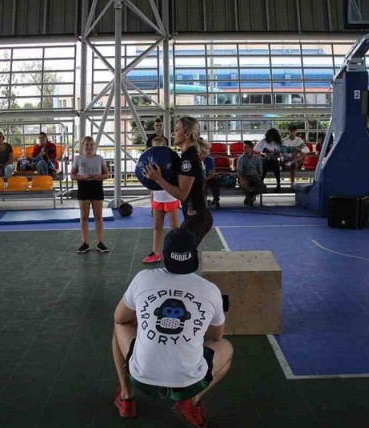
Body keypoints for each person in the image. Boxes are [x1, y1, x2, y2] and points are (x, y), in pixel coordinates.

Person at [112, 228, 233, 427]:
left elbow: (119, 318)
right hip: (189, 383)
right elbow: (217, 336)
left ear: (164, 254)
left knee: (120, 324)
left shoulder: (143, 278)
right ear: (194, 255)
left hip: (140, 377)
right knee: (226, 347)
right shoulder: (211, 290)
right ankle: (190, 400)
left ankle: (127, 398)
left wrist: (145, 322)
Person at [143, 116, 213, 246]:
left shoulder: (188, 159)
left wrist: (158, 179)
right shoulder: (188, 156)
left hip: (198, 218)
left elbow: (182, 194)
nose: (173, 133)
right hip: (194, 216)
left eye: (176, 130)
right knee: (184, 250)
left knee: (178, 248)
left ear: (187, 134)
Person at [143, 136, 181, 264]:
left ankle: (177, 251)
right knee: (157, 227)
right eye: (154, 148)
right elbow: (150, 184)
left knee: (175, 228)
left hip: (171, 198)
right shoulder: (150, 164)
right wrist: (151, 201)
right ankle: (156, 253)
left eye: (159, 147)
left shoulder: (171, 162)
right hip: (157, 198)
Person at [71, 136, 110, 253]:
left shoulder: (100, 159)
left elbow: (106, 174)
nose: (89, 147)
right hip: (83, 187)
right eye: (87, 145)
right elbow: (73, 175)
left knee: (98, 216)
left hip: (97, 187)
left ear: (94, 146)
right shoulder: (77, 159)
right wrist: (84, 177)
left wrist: (97, 176)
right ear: (83, 146)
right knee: (84, 216)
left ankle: (100, 242)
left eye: (91, 145)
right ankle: (85, 243)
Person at [254, 128, 282, 192]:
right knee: (265, 164)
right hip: (264, 158)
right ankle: (261, 184)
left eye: (273, 136)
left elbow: (280, 151)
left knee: (275, 165)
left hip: (273, 159)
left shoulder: (277, 142)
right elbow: (255, 148)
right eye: (270, 136)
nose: (271, 138)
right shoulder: (263, 141)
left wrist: (276, 152)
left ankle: (278, 184)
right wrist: (264, 150)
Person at [236, 141, 264, 207]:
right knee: (244, 185)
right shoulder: (241, 158)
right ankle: (250, 198)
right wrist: (242, 179)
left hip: (254, 176)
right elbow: (239, 171)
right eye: (244, 147)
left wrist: (258, 176)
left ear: (251, 148)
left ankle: (250, 196)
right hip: (245, 176)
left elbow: (260, 171)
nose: (244, 148)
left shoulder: (257, 158)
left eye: (246, 147)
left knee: (262, 187)